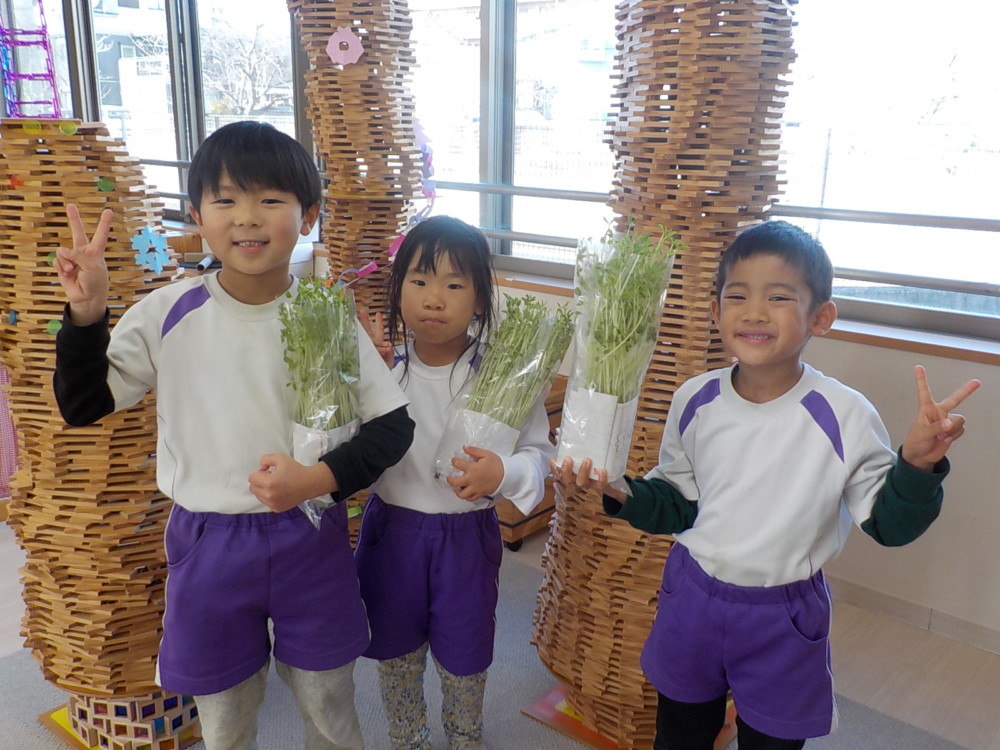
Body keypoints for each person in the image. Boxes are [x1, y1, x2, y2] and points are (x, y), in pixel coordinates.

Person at [52, 120, 415, 750]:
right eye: (225, 200)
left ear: (308, 216)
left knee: (329, 701)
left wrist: (318, 479)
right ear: (197, 216)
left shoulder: (327, 314)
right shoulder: (166, 313)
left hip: (310, 535)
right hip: (208, 543)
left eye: (270, 199)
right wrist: (86, 316)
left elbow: (392, 425)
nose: (247, 217)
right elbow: (83, 404)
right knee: (224, 717)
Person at [553, 220, 981, 750]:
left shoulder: (844, 414)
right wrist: (619, 491)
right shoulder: (694, 399)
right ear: (716, 313)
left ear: (820, 317)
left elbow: (889, 526)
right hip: (692, 597)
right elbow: (679, 504)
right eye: (738, 296)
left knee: (774, 741)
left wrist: (915, 465)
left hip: (784, 614)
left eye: (778, 297)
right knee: (679, 734)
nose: (754, 312)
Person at [355, 215, 554, 750]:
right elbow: (346, 448)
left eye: (454, 284)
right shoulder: (384, 369)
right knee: (395, 650)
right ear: (398, 291)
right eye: (419, 281)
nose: (434, 299)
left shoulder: (503, 375)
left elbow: (540, 455)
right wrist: (359, 381)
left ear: (480, 299)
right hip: (392, 534)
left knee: (465, 653)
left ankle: (465, 736)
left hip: (465, 540)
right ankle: (408, 737)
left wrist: (503, 472)